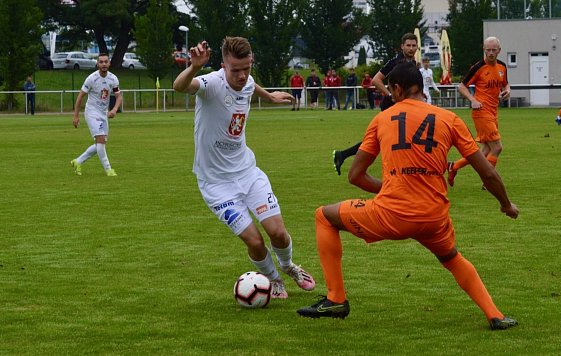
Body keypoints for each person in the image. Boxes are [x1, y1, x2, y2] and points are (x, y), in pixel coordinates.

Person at [297, 62, 519, 331]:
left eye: (390, 91)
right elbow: (488, 173)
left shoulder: (381, 119)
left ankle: (335, 299)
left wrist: (393, 188)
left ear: (398, 89)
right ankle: (495, 315)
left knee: (324, 216)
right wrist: (506, 205)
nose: (389, 95)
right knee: (452, 258)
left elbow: (355, 176)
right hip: (434, 217)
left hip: (391, 215)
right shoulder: (449, 119)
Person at [172, 37, 316, 299]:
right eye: (234, 70)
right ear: (222, 65)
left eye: (246, 68)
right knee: (255, 240)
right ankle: (273, 279)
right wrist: (193, 67)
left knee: (278, 234)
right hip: (216, 185)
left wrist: (269, 96)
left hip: (248, 173)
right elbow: (180, 86)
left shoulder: (247, 80)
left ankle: (288, 266)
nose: (241, 75)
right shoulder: (212, 84)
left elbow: (250, 86)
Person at [333, 32, 419, 175]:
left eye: (414, 45)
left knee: (383, 139)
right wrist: (390, 94)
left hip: (404, 106)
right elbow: (376, 80)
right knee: (389, 139)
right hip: (392, 106)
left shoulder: (412, 63)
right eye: (408, 45)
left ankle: (342, 155)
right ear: (402, 46)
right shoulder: (395, 63)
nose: (411, 48)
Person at [447, 36, 511, 188]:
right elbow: (461, 86)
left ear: (499, 51)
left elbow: (506, 85)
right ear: (484, 50)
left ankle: (453, 166)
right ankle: (488, 180)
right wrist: (472, 100)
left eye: (493, 50)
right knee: (497, 147)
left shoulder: (502, 67)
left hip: (493, 112)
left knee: (486, 150)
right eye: (487, 50)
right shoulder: (478, 67)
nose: (490, 53)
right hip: (481, 112)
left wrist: (507, 91)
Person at [70, 53, 122, 177]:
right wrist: (76, 116)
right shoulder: (91, 79)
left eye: (106, 62)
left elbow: (119, 96)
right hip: (92, 112)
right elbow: (80, 97)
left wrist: (114, 110)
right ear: (97, 64)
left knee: (101, 142)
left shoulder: (113, 79)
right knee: (101, 140)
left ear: (109, 63)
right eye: (101, 62)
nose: (103, 64)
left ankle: (78, 161)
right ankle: (109, 170)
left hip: (103, 113)